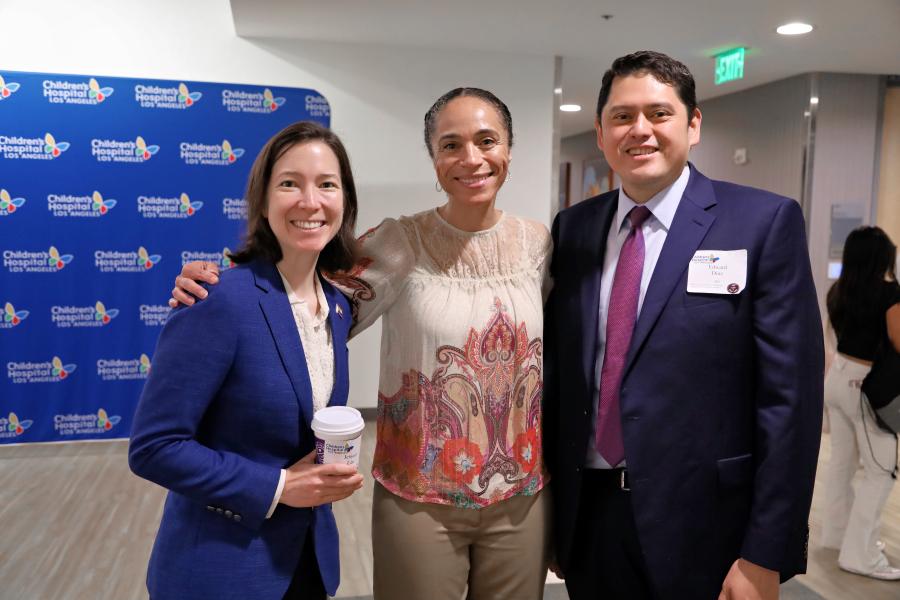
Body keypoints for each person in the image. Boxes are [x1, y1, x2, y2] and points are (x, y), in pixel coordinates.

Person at [171, 88, 552, 599]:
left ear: (509, 148)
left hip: (522, 495)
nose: (472, 158)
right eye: (451, 145)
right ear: (434, 160)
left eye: (488, 141)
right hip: (420, 494)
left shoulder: (540, 244)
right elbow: (297, 298)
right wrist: (220, 282)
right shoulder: (400, 242)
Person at [543, 50, 824, 600]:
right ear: (600, 134)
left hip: (710, 529)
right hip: (592, 520)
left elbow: (790, 402)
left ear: (693, 125)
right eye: (621, 117)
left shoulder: (762, 222)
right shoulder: (573, 229)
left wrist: (766, 551)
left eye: (659, 113)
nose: (639, 130)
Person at [128, 121, 365, 600]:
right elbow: (154, 447)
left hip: (307, 563)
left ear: (345, 201)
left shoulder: (338, 307)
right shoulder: (218, 299)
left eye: (327, 184)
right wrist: (279, 486)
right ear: (262, 200)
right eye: (289, 183)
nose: (310, 201)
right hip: (222, 570)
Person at [821, 226, 900, 580]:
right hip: (866, 388)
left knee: (843, 463)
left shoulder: (839, 291)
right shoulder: (889, 292)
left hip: (838, 377)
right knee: (881, 471)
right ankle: (860, 555)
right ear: (882, 257)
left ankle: (839, 537)